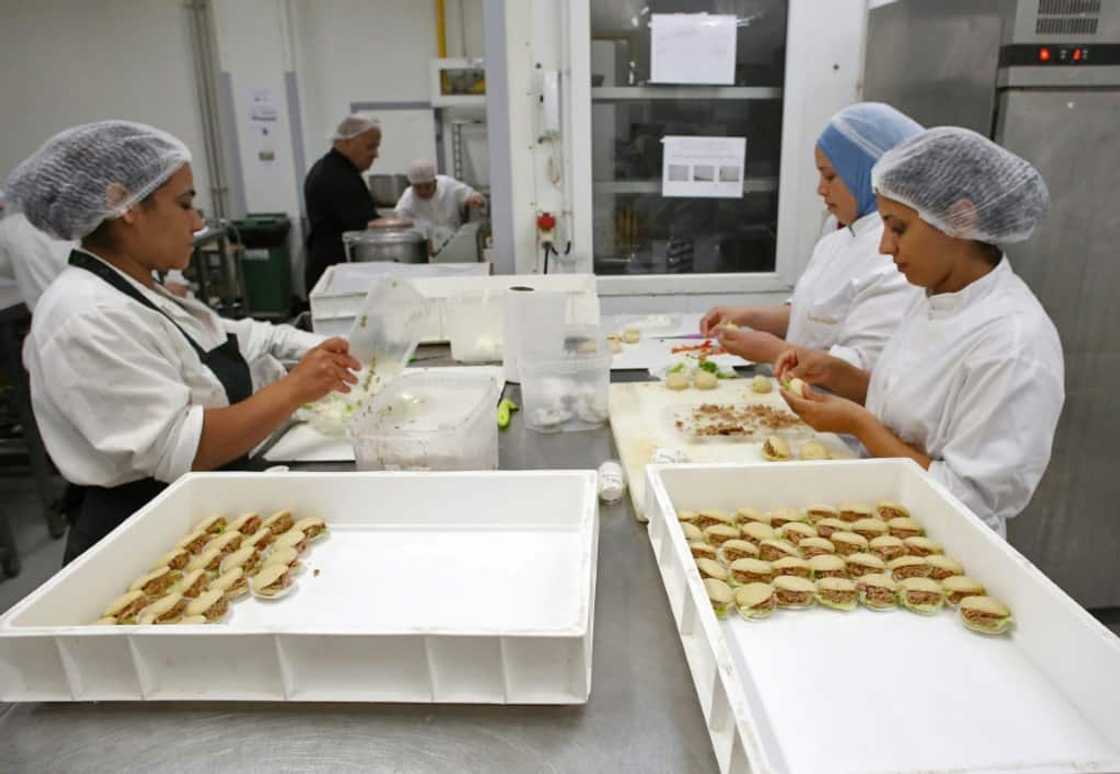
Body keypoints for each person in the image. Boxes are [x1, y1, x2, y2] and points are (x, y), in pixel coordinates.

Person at [6, 121, 360, 562]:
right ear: (125, 205)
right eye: (185, 204)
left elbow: (240, 336)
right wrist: (295, 389)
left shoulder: (140, 289)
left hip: (199, 507)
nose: (198, 222)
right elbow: (182, 447)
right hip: (143, 534)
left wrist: (325, 348)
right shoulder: (87, 316)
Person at [775, 127, 1064, 537]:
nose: (884, 247)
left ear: (960, 219)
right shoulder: (933, 294)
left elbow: (968, 500)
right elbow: (915, 410)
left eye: (898, 228)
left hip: (947, 547)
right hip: (887, 518)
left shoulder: (1013, 342)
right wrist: (833, 374)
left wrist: (859, 425)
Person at [701, 103, 924, 369]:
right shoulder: (839, 234)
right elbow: (812, 318)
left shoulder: (896, 256)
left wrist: (775, 352)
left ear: (868, 172)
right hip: (800, 394)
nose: (820, 189)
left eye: (830, 176)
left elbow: (865, 370)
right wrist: (748, 316)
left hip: (839, 405)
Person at [303, 114, 382, 292]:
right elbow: (368, 226)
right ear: (348, 142)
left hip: (330, 269)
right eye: (371, 147)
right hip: (336, 274)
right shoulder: (338, 176)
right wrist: (406, 225)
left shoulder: (329, 167)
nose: (375, 154)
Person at [394, 159, 485, 250]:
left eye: (427, 186)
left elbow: (473, 195)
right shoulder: (407, 199)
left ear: (435, 181)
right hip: (424, 248)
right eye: (418, 187)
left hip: (455, 244)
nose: (423, 191)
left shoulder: (449, 185)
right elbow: (400, 222)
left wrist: (475, 199)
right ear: (411, 185)